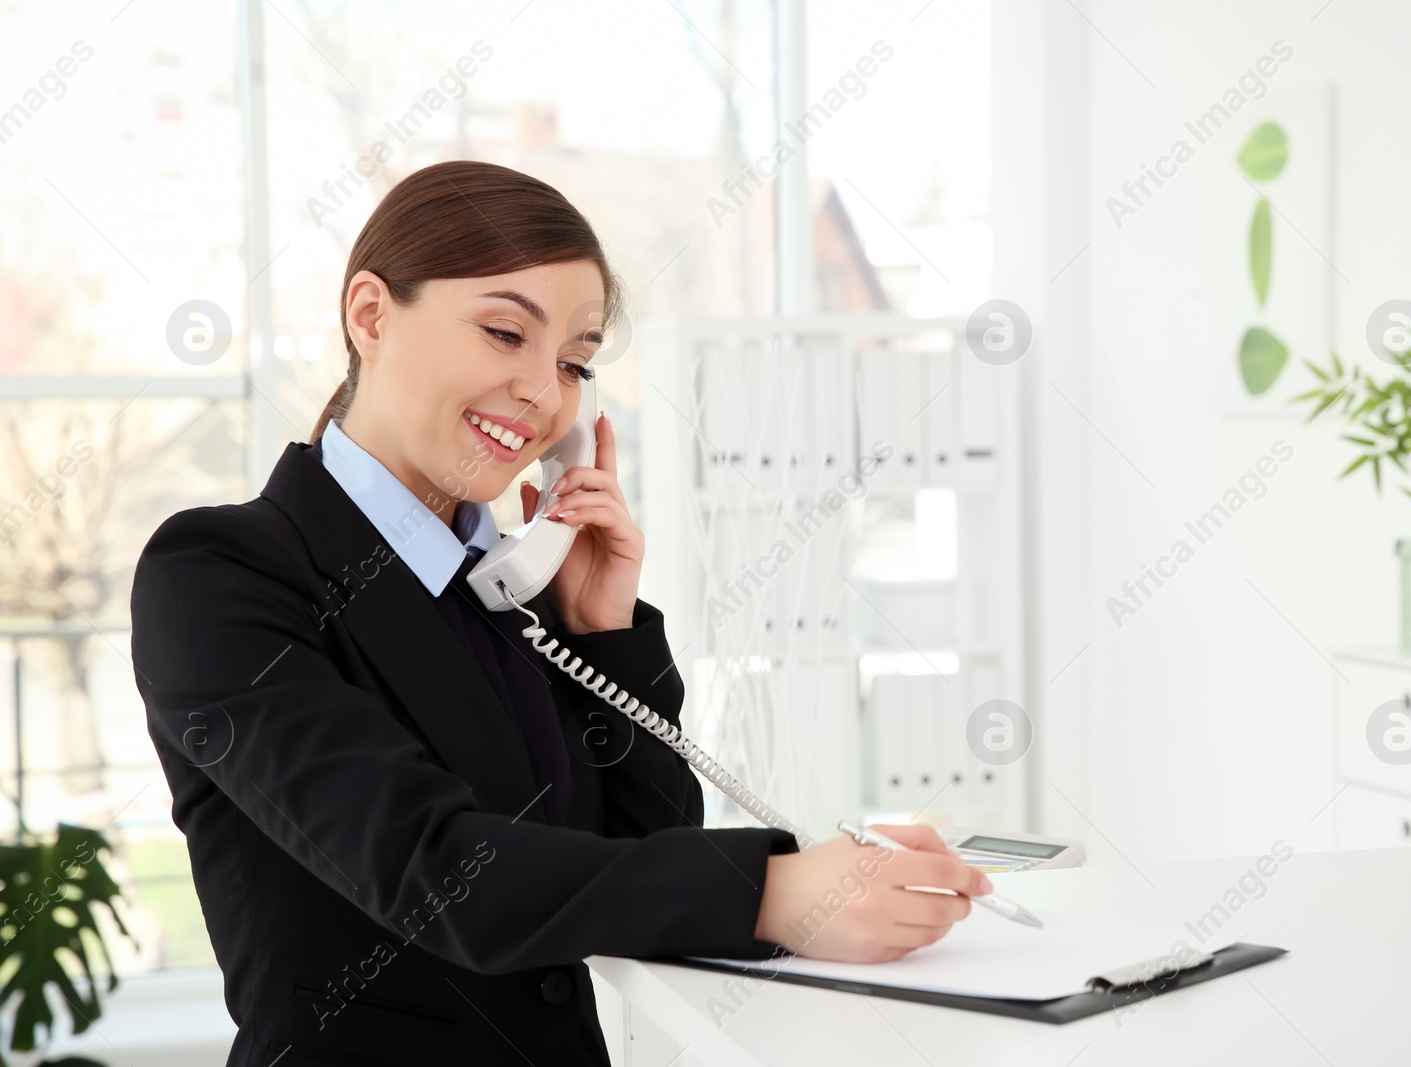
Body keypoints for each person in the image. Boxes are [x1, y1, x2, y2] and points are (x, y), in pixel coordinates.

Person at [130, 159, 992, 1066]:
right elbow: (437, 872)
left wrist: (602, 633)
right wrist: (773, 891)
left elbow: (642, 851)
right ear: (371, 315)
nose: (546, 393)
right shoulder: (219, 571)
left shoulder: (506, 587)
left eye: (575, 361)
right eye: (507, 332)